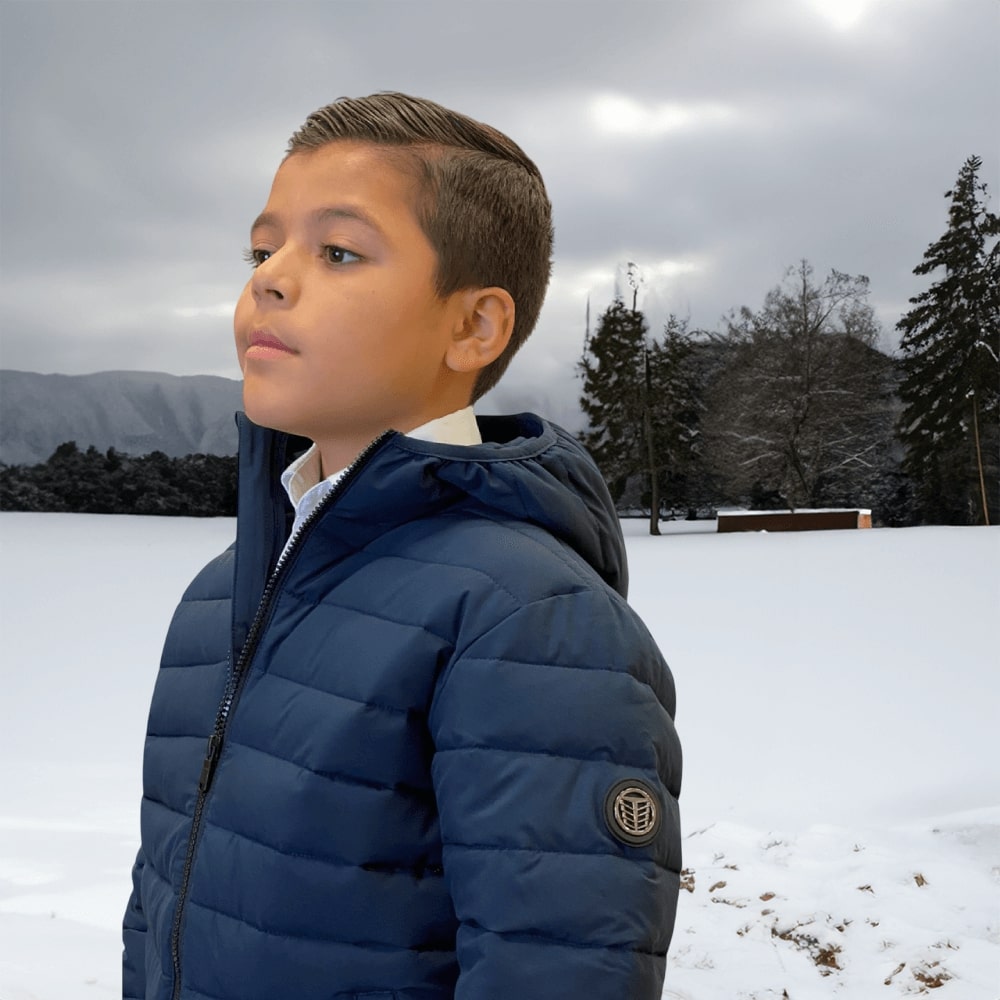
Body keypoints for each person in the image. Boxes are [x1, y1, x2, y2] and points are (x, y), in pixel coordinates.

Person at [123, 92, 682, 1000]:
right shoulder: (219, 594)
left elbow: (556, 970)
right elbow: (162, 904)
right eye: (263, 251)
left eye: (338, 252)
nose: (270, 280)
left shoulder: (529, 621)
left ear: (473, 327)